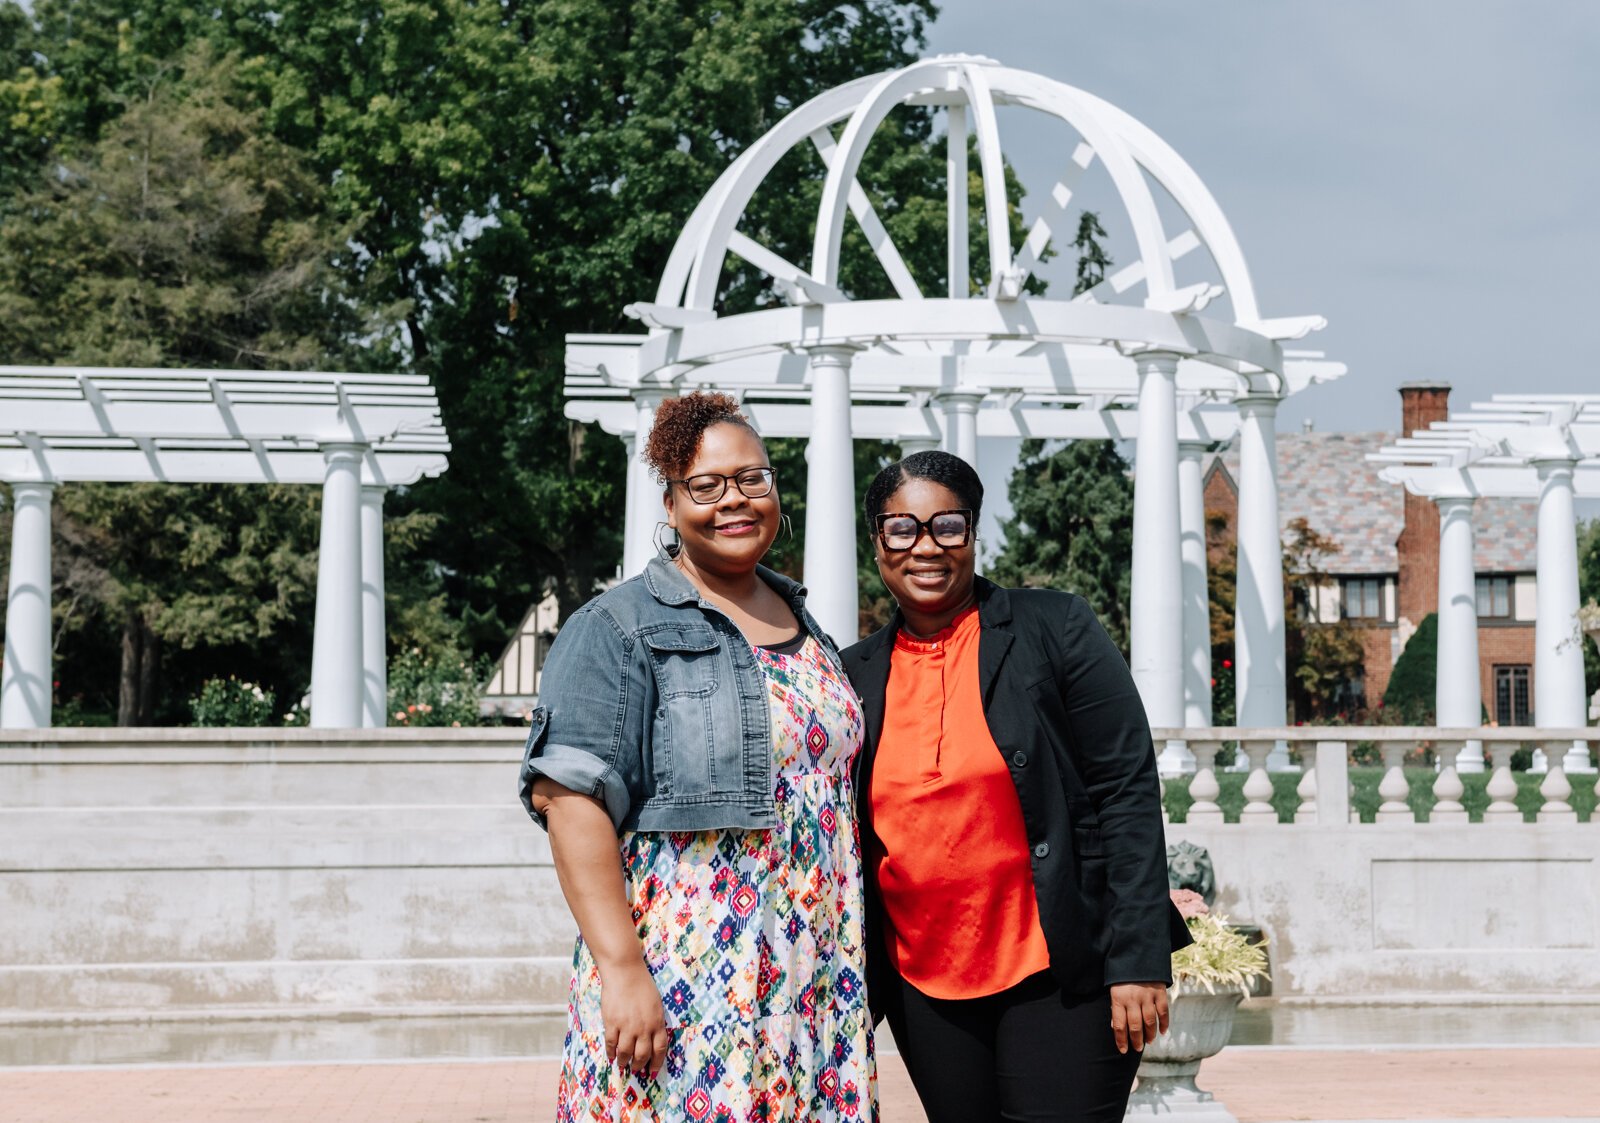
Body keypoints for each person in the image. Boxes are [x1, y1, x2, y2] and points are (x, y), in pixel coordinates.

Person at [519, 391, 876, 1123]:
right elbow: (570, 799)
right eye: (706, 485)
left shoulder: (808, 625)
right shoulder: (616, 626)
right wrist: (622, 970)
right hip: (694, 970)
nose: (735, 500)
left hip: (814, 971)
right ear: (672, 501)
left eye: (753, 478)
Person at [842, 449, 1190, 1123]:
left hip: (1058, 969)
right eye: (902, 528)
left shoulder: (1053, 628)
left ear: (972, 533)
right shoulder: (853, 675)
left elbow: (1126, 789)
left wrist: (1139, 958)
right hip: (925, 981)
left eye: (947, 525)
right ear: (877, 543)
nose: (926, 546)